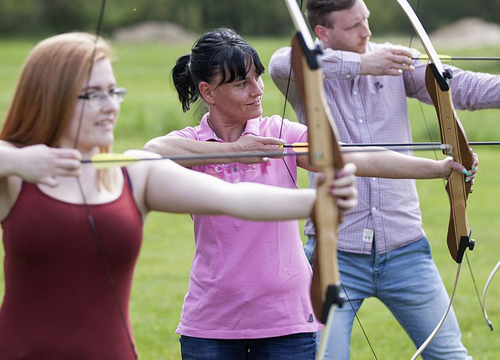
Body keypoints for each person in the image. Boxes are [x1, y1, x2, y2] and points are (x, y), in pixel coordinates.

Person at [0, 31, 360, 360]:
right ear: (53, 96)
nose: (110, 105)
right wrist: (20, 161)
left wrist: (318, 201)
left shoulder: (134, 173)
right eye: (92, 95)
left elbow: (234, 199)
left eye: (113, 91)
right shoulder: (15, 175)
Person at [268, 0, 500, 360]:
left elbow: (457, 85)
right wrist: (361, 64)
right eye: (354, 26)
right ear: (322, 33)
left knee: (449, 356)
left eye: (367, 19)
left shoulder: (394, 63)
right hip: (335, 252)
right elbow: (281, 60)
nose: (368, 32)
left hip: (405, 249)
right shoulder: (305, 75)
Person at [143, 28, 476, 360]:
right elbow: (151, 152)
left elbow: (354, 156)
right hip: (211, 323)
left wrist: (437, 168)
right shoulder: (193, 143)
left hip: (287, 320)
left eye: (256, 78)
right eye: (241, 83)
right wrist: (232, 151)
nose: (258, 90)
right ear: (208, 92)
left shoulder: (280, 134)